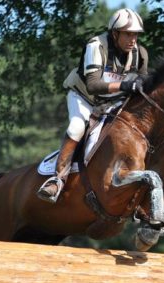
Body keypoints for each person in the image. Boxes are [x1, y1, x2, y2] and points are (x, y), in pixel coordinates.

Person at [37, 8, 149, 203]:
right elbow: (93, 85)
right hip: (84, 98)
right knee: (77, 127)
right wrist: (124, 84)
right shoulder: (97, 46)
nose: (133, 39)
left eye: (136, 35)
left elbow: (142, 88)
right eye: (128, 34)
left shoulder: (140, 54)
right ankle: (57, 179)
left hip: (112, 103)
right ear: (115, 33)